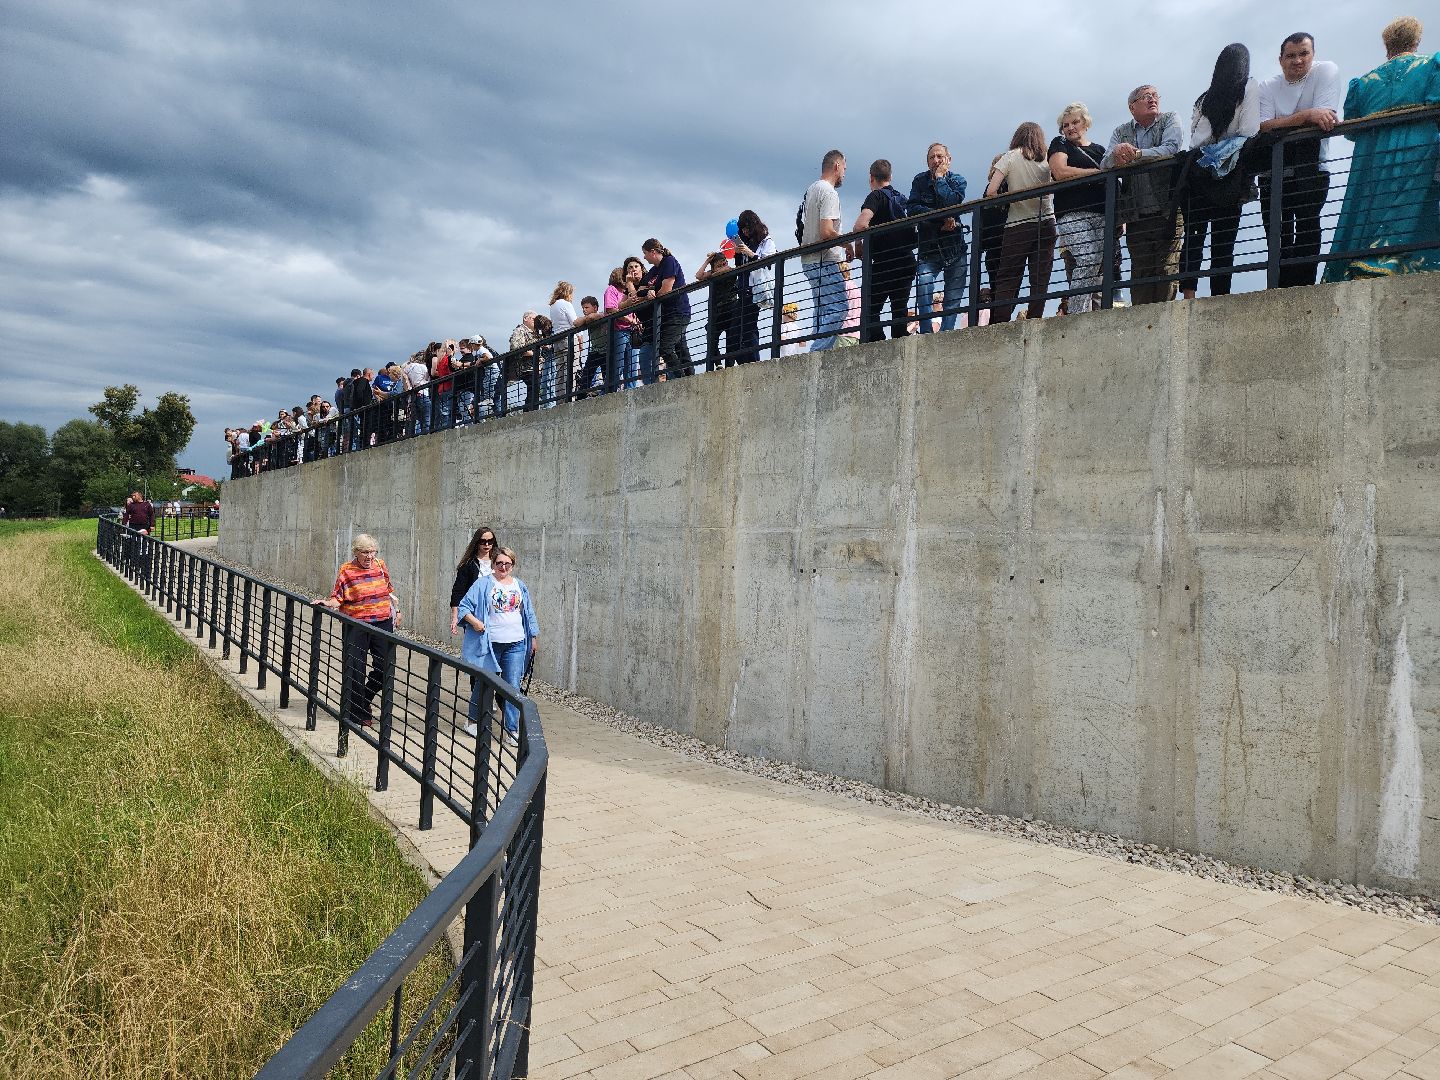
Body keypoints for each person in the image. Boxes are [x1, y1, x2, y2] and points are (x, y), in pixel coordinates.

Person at [1324, 17, 1440, 282]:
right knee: (1417, 202)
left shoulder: (1363, 83)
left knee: (1371, 204)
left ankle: (1364, 261)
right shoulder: (1432, 66)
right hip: (1418, 148)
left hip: (1372, 154)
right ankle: (1406, 263)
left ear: (1387, 45)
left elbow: (1351, 129)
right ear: (1416, 41)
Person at [1256, 32, 1342, 288]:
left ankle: (1303, 289)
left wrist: (1287, 122)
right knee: (1277, 235)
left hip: (1313, 166)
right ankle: (1279, 289)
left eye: (1304, 54)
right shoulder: (1267, 86)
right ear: (1280, 60)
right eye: (1291, 56)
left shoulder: (1326, 71)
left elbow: (1324, 119)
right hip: (1273, 172)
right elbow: (1262, 127)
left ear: (1313, 55)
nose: (1297, 61)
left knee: (1307, 227)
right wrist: (1307, 115)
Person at [1180, 44, 1261, 299]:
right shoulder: (1247, 87)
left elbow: (1195, 141)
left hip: (1198, 173)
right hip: (1229, 176)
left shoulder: (1204, 98)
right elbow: (1249, 130)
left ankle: (1188, 296)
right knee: (1224, 241)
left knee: (1193, 237)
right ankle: (1220, 297)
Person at [1103, 85, 1187, 305]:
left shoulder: (1170, 118)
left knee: (1167, 270)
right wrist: (1117, 153)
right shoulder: (1121, 132)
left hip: (1167, 210)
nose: (1153, 100)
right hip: (1136, 215)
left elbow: (1171, 148)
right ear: (1132, 107)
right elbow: (1105, 163)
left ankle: (1164, 321)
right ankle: (1142, 324)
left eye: (1155, 95)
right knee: (1140, 272)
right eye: (1146, 96)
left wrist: (1136, 155)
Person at [319, 534, 402, 730]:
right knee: (355, 668)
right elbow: (337, 596)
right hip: (356, 625)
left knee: (385, 668)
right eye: (365, 552)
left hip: (383, 623)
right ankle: (358, 711)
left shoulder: (380, 565)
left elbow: (389, 591)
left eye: (372, 552)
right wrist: (328, 603)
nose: (369, 556)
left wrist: (397, 611)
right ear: (356, 552)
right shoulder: (347, 570)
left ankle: (363, 699)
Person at [457, 546, 539, 741]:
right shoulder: (483, 584)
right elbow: (464, 607)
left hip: (516, 643)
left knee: (512, 686)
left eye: (507, 563)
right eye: (499, 563)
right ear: (493, 564)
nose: (503, 567)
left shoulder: (519, 585)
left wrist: (533, 637)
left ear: (513, 565)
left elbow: (528, 612)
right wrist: (476, 622)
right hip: (490, 644)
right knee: (484, 684)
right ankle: (473, 721)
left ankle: (512, 729)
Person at [987, 122, 1058, 322]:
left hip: (1017, 224)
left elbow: (991, 191)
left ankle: (1000, 320)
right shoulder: (1047, 158)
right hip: (1046, 221)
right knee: (1040, 276)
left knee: (1008, 275)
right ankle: (1035, 318)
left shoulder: (1009, 157)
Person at [1048, 103, 1108, 315]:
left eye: (1075, 122)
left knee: (1098, 264)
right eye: (1066, 125)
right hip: (1072, 213)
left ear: (1086, 123)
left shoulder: (1100, 150)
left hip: (1102, 213)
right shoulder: (1060, 143)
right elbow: (1059, 171)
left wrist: (1121, 219)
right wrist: (1093, 173)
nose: (1070, 128)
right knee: (1087, 259)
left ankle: (1092, 312)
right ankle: (1078, 314)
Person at [852, 159, 917, 341]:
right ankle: (898, 343)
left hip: (884, 263)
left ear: (871, 178)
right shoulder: (902, 198)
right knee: (899, 308)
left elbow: (860, 225)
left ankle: (877, 343)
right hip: (906, 261)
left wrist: (858, 246)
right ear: (890, 176)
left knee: (870, 308)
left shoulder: (876, 196)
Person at [908, 144, 968, 333]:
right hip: (929, 248)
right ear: (927, 162)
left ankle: (946, 334)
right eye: (932, 157)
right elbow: (912, 209)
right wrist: (941, 218)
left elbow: (952, 203)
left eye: (940, 156)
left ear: (948, 159)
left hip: (955, 248)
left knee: (953, 298)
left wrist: (940, 179)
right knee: (924, 284)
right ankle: (926, 331)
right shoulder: (919, 181)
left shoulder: (958, 180)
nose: (936, 160)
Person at [800, 150, 853, 352]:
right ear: (837, 166)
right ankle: (818, 352)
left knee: (822, 312)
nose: (844, 175)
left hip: (809, 260)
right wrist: (847, 243)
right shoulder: (829, 192)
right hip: (824, 259)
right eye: (845, 169)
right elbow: (826, 231)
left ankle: (818, 352)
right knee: (839, 308)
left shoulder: (812, 189)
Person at [640, 239, 693, 379]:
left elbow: (666, 289)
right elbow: (639, 289)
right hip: (667, 315)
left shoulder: (669, 261)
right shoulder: (654, 270)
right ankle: (689, 378)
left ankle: (682, 379)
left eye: (645, 253)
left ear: (653, 252)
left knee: (665, 347)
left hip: (678, 312)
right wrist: (647, 291)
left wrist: (652, 294)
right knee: (680, 349)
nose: (644, 257)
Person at [733, 210, 775, 364]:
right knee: (738, 331)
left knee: (748, 328)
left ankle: (752, 363)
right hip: (743, 289)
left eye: (746, 228)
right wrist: (739, 253)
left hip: (756, 289)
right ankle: (748, 362)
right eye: (742, 229)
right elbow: (740, 267)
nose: (744, 232)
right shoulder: (746, 241)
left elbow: (768, 262)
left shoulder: (765, 240)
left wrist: (750, 253)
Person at [449, 525, 498, 635]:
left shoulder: (499, 562)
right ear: (477, 542)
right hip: (476, 614)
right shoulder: (468, 565)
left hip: (497, 612)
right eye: (483, 541)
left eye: (490, 541)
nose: (487, 544)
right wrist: (455, 617)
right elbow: (458, 592)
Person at [695, 249, 739, 369]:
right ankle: (718, 363)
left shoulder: (729, 269)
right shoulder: (712, 272)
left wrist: (712, 274)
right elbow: (698, 275)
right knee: (711, 336)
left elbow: (725, 270)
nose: (723, 264)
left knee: (731, 337)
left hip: (731, 307)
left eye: (724, 261)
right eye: (719, 263)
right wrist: (707, 261)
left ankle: (729, 365)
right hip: (717, 311)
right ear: (714, 265)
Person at [572, 295, 610, 397]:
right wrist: (586, 319)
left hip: (605, 351)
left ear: (595, 308)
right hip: (594, 351)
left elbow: (593, 317)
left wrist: (586, 319)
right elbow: (575, 323)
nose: (584, 310)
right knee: (586, 376)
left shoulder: (602, 314)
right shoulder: (587, 318)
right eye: (583, 308)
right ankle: (581, 398)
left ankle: (608, 395)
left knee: (607, 376)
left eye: (587, 307)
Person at [403, 347, 432, 435]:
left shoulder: (407, 367)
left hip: (413, 395)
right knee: (426, 420)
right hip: (424, 393)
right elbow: (428, 378)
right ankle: (426, 436)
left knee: (416, 419)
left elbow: (405, 380)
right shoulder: (423, 367)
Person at [533, 314, 558, 408]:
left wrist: (549, 346)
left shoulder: (553, 329)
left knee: (550, 382)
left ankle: (550, 405)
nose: (543, 330)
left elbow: (559, 343)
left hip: (553, 357)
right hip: (547, 359)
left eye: (543, 328)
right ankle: (545, 404)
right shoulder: (544, 334)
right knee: (544, 383)